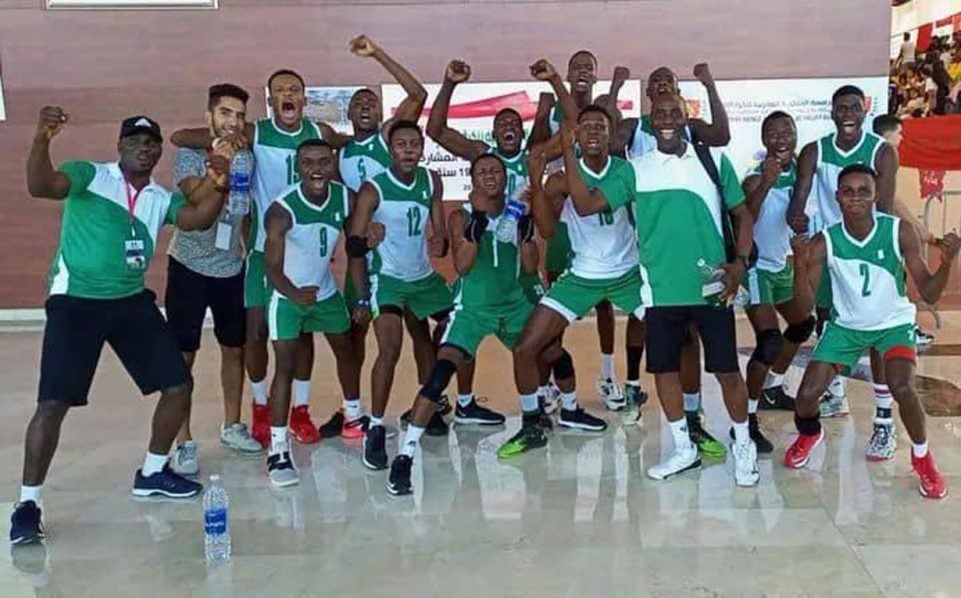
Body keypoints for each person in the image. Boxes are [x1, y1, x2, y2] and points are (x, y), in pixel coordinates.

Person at [10, 109, 231, 546]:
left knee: (178, 385)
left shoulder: (159, 198)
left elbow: (197, 219)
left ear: (158, 151)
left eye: (151, 143)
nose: (144, 148)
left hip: (130, 300)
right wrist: (41, 138)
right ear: (120, 146)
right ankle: (28, 504)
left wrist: (220, 183)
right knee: (53, 403)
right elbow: (41, 185)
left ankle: (152, 472)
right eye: (135, 141)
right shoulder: (89, 176)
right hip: (76, 302)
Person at [172, 67, 351, 447]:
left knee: (302, 334)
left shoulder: (319, 133)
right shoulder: (255, 133)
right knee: (255, 332)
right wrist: (225, 136)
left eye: (295, 89)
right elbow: (181, 137)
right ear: (271, 101)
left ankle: (300, 410)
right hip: (260, 249)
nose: (289, 94)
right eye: (280, 89)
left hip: (306, 252)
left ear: (304, 98)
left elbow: (353, 144)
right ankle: (259, 406)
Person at [785, 164, 960, 500]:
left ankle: (922, 458)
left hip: (892, 325)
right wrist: (800, 263)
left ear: (876, 195)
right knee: (806, 397)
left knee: (902, 386)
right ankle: (809, 434)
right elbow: (803, 309)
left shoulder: (898, 232)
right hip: (846, 328)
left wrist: (947, 262)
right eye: (848, 192)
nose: (856, 198)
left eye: (863, 191)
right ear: (837, 197)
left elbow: (929, 292)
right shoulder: (825, 241)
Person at [384, 154, 538, 494]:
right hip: (472, 309)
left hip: (513, 306)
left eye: (495, 171)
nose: (489, 176)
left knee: (545, 354)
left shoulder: (518, 213)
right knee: (442, 370)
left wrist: (526, 232)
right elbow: (463, 266)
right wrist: (478, 222)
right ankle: (405, 456)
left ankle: (534, 423)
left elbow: (529, 267)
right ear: (473, 179)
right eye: (482, 172)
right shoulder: (461, 216)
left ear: (505, 178)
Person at [630, 93, 759, 486]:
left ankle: (744, 444)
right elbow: (589, 203)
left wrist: (740, 262)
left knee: (726, 371)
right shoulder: (635, 169)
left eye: (676, 113)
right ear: (650, 120)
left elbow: (742, 214)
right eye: (660, 114)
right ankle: (684, 449)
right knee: (664, 370)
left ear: (687, 118)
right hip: (660, 291)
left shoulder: (713, 160)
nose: (668, 119)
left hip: (711, 287)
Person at [505, 103, 641, 457]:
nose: (594, 131)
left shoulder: (625, 170)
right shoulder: (560, 179)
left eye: (601, 126)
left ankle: (687, 415)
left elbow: (588, 205)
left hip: (627, 274)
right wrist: (537, 183)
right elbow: (548, 231)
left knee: (681, 335)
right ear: (576, 134)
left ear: (610, 135)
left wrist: (565, 153)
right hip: (581, 275)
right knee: (525, 348)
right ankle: (532, 423)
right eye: (586, 126)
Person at [424, 58, 555, 414]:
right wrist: (450, 83)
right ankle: (465, 402)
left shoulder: (533, 158)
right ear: (493, 135)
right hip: (481, 260)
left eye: (514, 124)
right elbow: (435, 130)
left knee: (544, 337)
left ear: (522, 133)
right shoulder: (481, 156)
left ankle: (544, 395)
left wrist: (552, 85)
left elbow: (571, 131)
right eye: (501, 125)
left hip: (520, 265)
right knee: (454, 333)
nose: (508, 127)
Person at [787, 85, 900, 460]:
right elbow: (798, 202)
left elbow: (884, 208)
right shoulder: (814, 151)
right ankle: (836, 392)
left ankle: (884, 421)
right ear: (832, 112)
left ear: (865, 110)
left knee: (879, 336)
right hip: (831, 250)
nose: (847, 114)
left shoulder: (882, 151)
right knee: (829, 323)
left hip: (871, 252)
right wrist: (797, 219)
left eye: (854, 107)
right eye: (841, 108)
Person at [327, 34, 429, 437]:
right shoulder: (339, 155)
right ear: (348, 113)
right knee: (355, 331)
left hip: (403, 257)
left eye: (372, 101)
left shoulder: (389, 139)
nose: (366, 106)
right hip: (364, 258)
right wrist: (357, 236)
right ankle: (354, 411)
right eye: (358, 103)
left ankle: (430, 404)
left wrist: (377, 54)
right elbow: (343, 208)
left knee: (419, 331)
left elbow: (418, 93)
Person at [346, 121, 455, 472]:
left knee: (453, 331)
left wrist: (441, 242)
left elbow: (439, 235)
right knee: (390, 348)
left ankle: (429, 401)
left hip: (423, 277)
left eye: (414, 144)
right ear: (390, 150)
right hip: (388, 279)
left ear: (422, 149)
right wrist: (362, 298)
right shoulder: (373, 189)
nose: (408, 150)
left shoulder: (431, 181)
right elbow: (353, 246)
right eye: (401, 144)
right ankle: (376, 428)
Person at [165, 84, 262, 478]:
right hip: (188, 265)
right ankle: (183, 441)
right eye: (225, 113)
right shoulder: (190, 154)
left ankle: (232, 425)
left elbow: (247, 210)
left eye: (239, 115)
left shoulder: (248, 155)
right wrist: (218, 166)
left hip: (230, 266)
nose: (233, 121)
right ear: (210, 116)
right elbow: (196, 201)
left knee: (234, 348)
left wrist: (250, 254)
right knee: (183, 355)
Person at [535, 50, 631, 412]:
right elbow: (540, 148)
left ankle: (607, 374)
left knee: (605, 303)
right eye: (575, 67)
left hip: (602, 213)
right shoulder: (554, 110)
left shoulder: (602, 108)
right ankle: (551, 381)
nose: (581, 73)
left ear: (595, 74)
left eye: (588, 68)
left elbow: (597, 130)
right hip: (565, 217)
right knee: (557, 302)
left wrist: (615, 88)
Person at [262, 140, 361, 487]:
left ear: (332, 165)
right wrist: (294, 294)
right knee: (285, 367)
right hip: (287, 296)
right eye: (308, 162)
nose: (316, 169)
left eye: (323, 162)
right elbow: (271, 267)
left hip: (325, 291)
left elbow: (359, 236)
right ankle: (278, 449)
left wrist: (370, 233)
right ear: (298, 167)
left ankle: (354, 416)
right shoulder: (281, 210)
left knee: (347, 350)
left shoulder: (345, 197)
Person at [737, 112, 815, 451]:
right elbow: (744, 219)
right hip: (757, 269)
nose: (781, 138)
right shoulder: (755, 177)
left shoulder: (803, 175)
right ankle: (746, 421)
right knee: (768, 342)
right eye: (773, 133)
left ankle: (773, 388)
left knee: (802, 324)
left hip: (784, 265)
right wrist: (767, 182)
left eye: (787, 132)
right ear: (763, 139)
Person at [873, 113, 937, 348]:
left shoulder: (879, 155)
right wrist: (915, 226)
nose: (901, 138)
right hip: (880, 233)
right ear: (887, 134)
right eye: (899, 133)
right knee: (895, 284)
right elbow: (892, 198)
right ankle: (906, 331)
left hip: (878, 231)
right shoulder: (883, 155)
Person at [612, 63, 731, 159]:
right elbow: (611, 146)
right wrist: (615, 87)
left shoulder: (691, 126)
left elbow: (721, 137)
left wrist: (710, 86)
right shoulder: (634, 126)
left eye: (669, 81)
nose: (663, 83)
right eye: (656, 80)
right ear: (648, 92)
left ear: (678, 91)